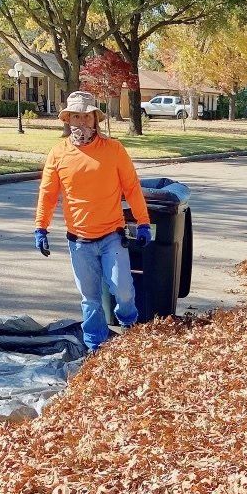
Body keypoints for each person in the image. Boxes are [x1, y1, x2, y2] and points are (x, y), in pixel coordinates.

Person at [33, 90, 153, 352]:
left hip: (112, 235)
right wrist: (41, 227)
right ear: (68, 120)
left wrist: (143, 222)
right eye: (76, 116)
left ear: (96, 120)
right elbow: (48, 193)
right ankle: (95, 346)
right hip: (79, 240)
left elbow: (132, 188)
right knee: (90, 299)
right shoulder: (58, 153)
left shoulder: (114, 150)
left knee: (123, 289)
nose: (82, 122)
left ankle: (129, 325)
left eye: (87, 116)